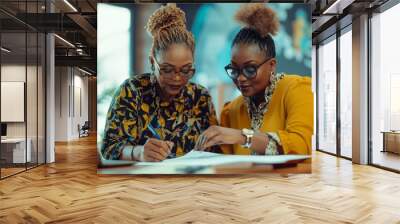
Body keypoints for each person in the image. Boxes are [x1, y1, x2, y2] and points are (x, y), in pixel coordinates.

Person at [101, 4, 219, 162]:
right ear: (152, 62)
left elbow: (215, 150)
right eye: (167, 69)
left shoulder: (201, 97)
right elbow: (109, 148)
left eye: (185, 70)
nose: (177, 78)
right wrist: (139, 152)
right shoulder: (132, 90)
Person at [197, 4, 313, 155]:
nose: (240, 78)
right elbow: (224, 163)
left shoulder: (297, 90)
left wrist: (243, 136)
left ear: (272, 65)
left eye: (250, 69)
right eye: (234, 70)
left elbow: (302, 145)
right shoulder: (231, 110)